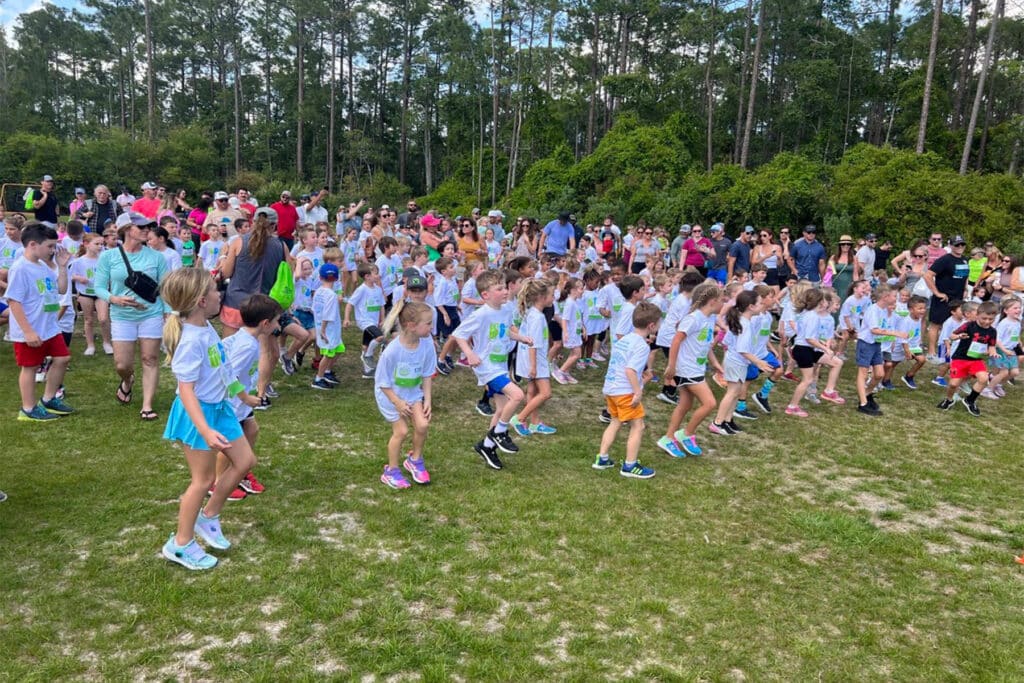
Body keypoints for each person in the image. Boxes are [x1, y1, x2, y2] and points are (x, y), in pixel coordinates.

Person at [159, 268, 258, 571]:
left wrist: (243, 396)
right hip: (199, 414)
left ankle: (209, 517)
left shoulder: (206, 329)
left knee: (245, 462)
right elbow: (186, 391)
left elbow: (223, 370)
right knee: (202, 481)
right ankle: (180, 544)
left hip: (221, 409)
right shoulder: (190, 340)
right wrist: (205, 429)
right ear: (202, 300)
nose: (221, 295)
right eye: (216, 291)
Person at [453, 270, 530, 470]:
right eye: (499, 289)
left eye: (505, 287)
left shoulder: (506, 309)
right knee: (518, 395)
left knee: (502, 409)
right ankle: (500, 432)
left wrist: (522, 338)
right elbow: (459, 335)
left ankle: (487, 447)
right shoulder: (481, 314)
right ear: (485, 295)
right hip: (486, 367)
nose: (505, 291)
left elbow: (508, 331)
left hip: (500, 365)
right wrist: (469, 354)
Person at [94, 212, 168, 421]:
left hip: (150, 314)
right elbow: (98, 287)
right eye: (141, 227)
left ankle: (147, 405)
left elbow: (165, 287)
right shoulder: (108, 256)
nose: (146, 230)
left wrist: (168, 313)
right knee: (122, 365)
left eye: (148, 227)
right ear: (126, 229)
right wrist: (114, 299)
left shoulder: (157, 257)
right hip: (121, 316)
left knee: (150, 358)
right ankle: (127, 381)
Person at [220, 207, 291, 403]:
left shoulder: (238, 242)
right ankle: (261, 393)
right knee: (264, 352)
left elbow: (225, 273)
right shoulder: (281, 246)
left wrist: (223, 258)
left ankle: (226, 390)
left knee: (229, 350)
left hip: (235, 302)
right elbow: (286, 275)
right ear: (275, 225)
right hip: (264, 306)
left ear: (252, 221)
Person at [5, 222, 75, 421]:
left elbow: (60, 290)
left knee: (62, 358)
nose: (53, 250)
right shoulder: (20, 268)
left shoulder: (43, 265)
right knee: (30, 366)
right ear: (33, 244)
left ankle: (49, 399)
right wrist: (27, 331)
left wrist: (62, 268)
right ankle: (28, 409)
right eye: (50, 246)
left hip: (49, 327)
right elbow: (14, 301)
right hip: (31, 328)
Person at [218, 294, 282, 500]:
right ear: (265, 324)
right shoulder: (247, 346)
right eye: (276, 321)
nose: (277, 325)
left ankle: (241, 471)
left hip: (241, 401)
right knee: (227, 443)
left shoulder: (243, 337)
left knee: (252, 429)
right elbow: (229, 375)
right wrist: (245, 397)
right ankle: (218, 482)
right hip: (233, 401)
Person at [593, 302, 662, 478]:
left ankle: (602, 458)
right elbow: (630, 370)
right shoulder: (641, 346)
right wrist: (638, 391)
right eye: (659, 322)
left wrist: (642, 380)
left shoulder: (625, 340)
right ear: (651, 326)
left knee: (615, 421)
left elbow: (623, 366)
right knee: (638, 425)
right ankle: (630, 466)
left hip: (611, 389)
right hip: (625, 391)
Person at [373, 301, 436, 489]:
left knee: (423, 425)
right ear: (411, 326)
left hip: (412, 393)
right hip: (390, 396)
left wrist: (427, 400)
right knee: (401, 431)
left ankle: (414, 460)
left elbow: (427, 374)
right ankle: (391, 471)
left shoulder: (427, 345)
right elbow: (383, 382)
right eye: (428, 323)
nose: (431, 327)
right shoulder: (392, 351)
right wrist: (397, 403)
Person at [657, 282, 723, 458]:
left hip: (696, 368)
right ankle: (686, 434)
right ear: (712, 301)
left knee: (685, 404)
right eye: (722, 300)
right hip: (686, 369)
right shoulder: (693, 319)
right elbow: (676, 340)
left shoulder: (709, 319)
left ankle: (668, 438)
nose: (724, 304)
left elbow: (705, 344)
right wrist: (671, 366)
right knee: (710, 403)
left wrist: (715, 363)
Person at [711, 290, 770, 434]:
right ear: (751, 306)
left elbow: (727, 341)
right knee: (731, 393)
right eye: (759, 303)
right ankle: (717, 422)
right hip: (736, 362)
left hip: (738, 362)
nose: (762, 305)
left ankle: (728, 420)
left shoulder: (741, 321)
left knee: (736, 393)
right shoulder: (745, 325)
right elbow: (742, 349)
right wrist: (759, 362)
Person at [785, 289, 845, 417]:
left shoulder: (808, 313)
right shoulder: (812, 316)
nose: (826, 303)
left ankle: (829, 391)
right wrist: (825, 348)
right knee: (807, 380)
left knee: (837, 362)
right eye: (823, 300)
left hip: (808, 349)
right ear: (819, 302)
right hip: (803, 349)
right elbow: (809, 338)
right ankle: (792, 406)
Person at [510, 279, 556, 437]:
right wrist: (534, 367)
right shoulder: (537, 317)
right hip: (535, 360)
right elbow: (533, 344)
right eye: (552, 295)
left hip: (530, 358)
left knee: (532, 390)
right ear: (542, 297)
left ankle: (535, 423)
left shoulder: (532, 313)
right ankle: (520, 418)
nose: (554, 298)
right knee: (545, 393)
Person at [937, 300, 999, 417]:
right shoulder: (969, 325)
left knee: (983, 378)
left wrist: (993, 353)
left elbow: (991, 346)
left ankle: (970, 400)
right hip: (960, 359)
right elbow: (952, 335)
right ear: (978, 315)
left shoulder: (992, 331)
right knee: (953, 384)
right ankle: (949, 400)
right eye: (984, 318)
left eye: (991, 319)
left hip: (976, 360)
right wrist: (959, 336)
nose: (987, 322)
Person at [854, 284, 904, 416]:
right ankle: (863, 403)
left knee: (880, 374)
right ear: (885, 297)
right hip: (866, 343)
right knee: (863, 374)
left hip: (876, 344)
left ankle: (867, 394)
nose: (896, 298)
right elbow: (874, 329)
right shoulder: (873, 310)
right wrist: (895, 333)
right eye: (894, 296)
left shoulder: (883, 310)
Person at [923, 235, 969, 360]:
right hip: (944, 298)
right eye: (957, 245)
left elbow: (965, 276)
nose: (960, 247)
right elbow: (928, 275)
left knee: (956, 324)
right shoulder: (945, 260)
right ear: (950, 245)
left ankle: (951, 350)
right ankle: (932, 352)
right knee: (936, 324)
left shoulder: (965, 260)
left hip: (958, 299)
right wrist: (937, 293)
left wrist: (965, 289)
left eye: (962, 244)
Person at [344, 263, 386, 378]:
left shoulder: (378, 289)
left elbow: (381, 305)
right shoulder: (361, 290)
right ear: (367, 276)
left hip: (374, 322)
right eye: (375, 273)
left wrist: (382, 319)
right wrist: (347, 318)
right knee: (380, 337)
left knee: (366, 345)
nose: (378, 275)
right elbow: (349, 304)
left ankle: (368, 371)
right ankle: (367, 356)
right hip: (364, 321)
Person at [311, 263, 345, 389]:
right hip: (328, 330)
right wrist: (323, 330)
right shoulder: (331, 295)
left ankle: (327, 371)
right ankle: (318, 379)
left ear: (320, 278)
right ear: (336, 278)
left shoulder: (319, 292)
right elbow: (327, 315)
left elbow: (315, 309)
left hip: (326, 328)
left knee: (339, 349)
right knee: (328, 354)